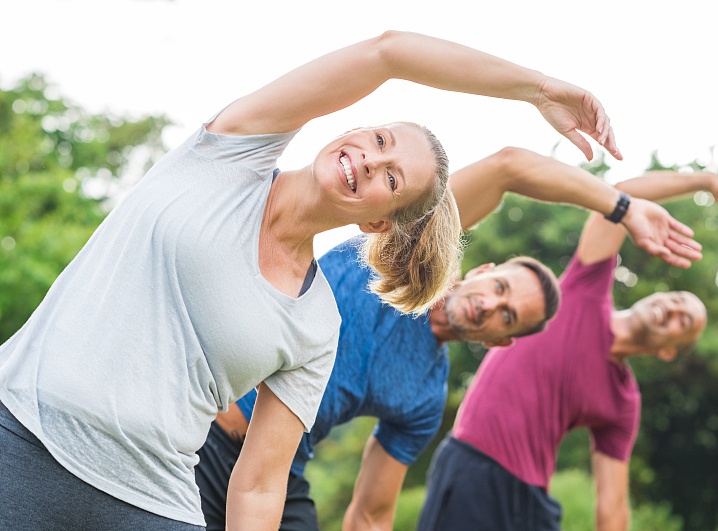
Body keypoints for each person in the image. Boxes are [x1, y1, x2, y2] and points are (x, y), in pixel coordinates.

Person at [0, 30, 648, 531]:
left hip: (154, 492)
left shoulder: (325, 325)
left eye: (392, 179)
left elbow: (270, 487)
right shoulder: (231, 151)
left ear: (379, 222)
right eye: (379, 139)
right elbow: (389, 52)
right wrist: (537, 89)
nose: (371, 160)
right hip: (28, 431)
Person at [195, 146, 705, 531]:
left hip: (278, 476)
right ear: (481, 270)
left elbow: (372, 514)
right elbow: (508, 167)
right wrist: (623, 207)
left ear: (500, 342)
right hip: (206, 439)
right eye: (500, 288)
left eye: (507, 316)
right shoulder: (399, 256)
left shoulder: (422, 398)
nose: (490, 305)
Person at [416, 169, 718, 531]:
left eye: (683, 322)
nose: (673, 310)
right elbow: (619, 198)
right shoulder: (586, 288)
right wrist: (703, 182)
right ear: (658, 293)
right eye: (677, 300)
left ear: (670, 350)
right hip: (474, 467)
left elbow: (612, 503)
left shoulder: (623, 402)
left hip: (532, 507)